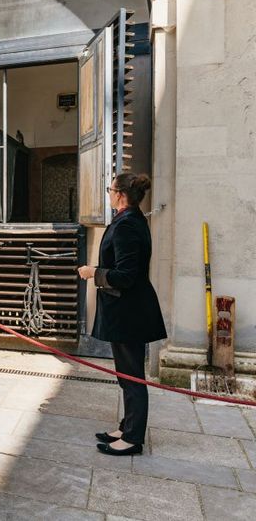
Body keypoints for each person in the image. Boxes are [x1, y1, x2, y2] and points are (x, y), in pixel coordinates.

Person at [78, 173, 167, 456]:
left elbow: (127, 276)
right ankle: (127, 427)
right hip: (127, 311)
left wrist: (94, 273)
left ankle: (133, 439)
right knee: (125, 375)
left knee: (132, 378)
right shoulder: (129, 219)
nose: (108, 193)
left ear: (120, 194)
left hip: (130, 313)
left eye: (110, 189)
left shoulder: (128, 224)